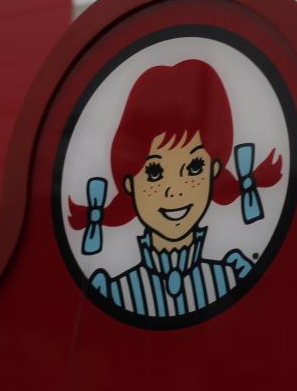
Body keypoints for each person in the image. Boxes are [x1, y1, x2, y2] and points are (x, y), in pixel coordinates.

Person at [67, 59, 283, 318]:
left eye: (193, 168)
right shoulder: (112, 290)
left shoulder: (234, 273)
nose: (174, 191)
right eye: (154, 172)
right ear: (128, 182)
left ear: (213, 171)